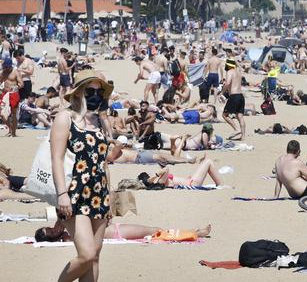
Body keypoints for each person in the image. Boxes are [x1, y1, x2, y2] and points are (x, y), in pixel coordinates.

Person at [50, 69, 114, 281]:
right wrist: (62, 194)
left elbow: (104, 163)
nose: (96, 95)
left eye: (99, 91)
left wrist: (110, 197)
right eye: (90, 90)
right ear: (78, 92)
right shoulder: (65, 118)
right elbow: (57, 159)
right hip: (74, 194)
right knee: (86, 255)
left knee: (95, 256)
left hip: (99, 194)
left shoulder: (100, 122)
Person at [35, 219, 212, 242]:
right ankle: (196, 232)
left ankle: (194, 230)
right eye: (49, 232)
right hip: (118, 233)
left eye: (49, 228)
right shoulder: (67, 239)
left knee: (156, 229)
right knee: (157, 232)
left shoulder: (66, 227)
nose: (53, 229)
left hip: (115, 228)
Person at [139, 157, 223, 188]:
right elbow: (166, 169)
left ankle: (220, 185)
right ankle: (220, 185)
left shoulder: (159, 180)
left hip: (190, 181)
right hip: (192, 183)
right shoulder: (159, 181)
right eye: (148, 174)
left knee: (206, 162)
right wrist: (155, 175)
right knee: (208, 162)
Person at [222, 59, 246, 140]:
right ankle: (243, 136)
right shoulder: (239, 72)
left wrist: (222, 92)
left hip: (234, 96)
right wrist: (236, 63)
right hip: (241, 96)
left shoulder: (230, 72)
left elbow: (228, 83)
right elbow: (240, 67)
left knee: (224, 115)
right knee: (240, 116)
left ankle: (236, 129)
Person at [1, 57, 22, 137]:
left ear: (10, 66)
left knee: (13, 114)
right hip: (5, 94)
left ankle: (13, 132)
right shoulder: (3, 72)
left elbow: (21, 84)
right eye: (5, 67)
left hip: (14, 94)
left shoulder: (15, 72)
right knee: (2, 113)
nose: (6, 68)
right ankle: (10, 128)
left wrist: (16, 87)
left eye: (7, 67)